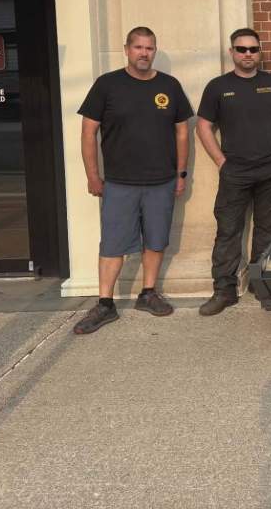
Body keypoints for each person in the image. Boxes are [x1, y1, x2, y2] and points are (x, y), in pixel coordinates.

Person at [73, 27, 193, 335]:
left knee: (155, 239)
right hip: (119, 183)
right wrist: (92, 175)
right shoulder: (107, 85)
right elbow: (88, 132)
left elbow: (182, 132)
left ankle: (148, 293)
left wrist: (181, 174)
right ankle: (105, 304)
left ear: (155, 51)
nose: (144, 53)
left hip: (161, 181)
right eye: (138, 47)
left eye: (149, 48)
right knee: (113, 244)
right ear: (126, 49)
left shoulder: (170, 85)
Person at [196, 28, 271, 316]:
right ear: (232, 52)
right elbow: (203, 126)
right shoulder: (218, 87)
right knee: (228, 231)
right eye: (241, 49)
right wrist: (220, 161)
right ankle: (224, 290)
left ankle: (261, 284)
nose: (247, 55)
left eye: (253, 49)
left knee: (268, 230)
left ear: (259, 52)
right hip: (235, 173)